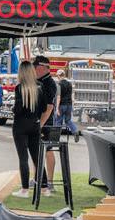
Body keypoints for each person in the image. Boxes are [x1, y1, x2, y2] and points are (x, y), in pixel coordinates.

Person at [11, 61, 49, 197]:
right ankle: (44, 188)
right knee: (37, 158)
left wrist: (13, 108)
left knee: (23, 158)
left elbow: (18, 109)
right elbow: (44, 108)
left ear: (21, 73)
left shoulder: (19, 88)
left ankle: (25, 190)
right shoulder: (40, 86)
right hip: (35, 125)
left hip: (20, 126)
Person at [33, 56, 58, 190]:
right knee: (35, 150)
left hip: (46, 123)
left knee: (48, 150)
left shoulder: (49, 83)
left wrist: (40, 125)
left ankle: (50, 182)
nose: (33, 70)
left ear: (42, 67)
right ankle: (37, 179)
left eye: (35, 67)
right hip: (38, 121)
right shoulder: (39, 81)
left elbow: (49, 108)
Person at [55, 68, 78, 140]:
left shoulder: (59, 85)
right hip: (69, 105)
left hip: (62, 105)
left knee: (58, 121)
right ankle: (75, 131)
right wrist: (72, 105)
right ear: (64, 75)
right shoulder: (69, 84)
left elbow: (58, 97)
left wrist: (57, 108)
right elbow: (72, 96)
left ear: (59, 76)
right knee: (68, 120)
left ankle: (56, 137)